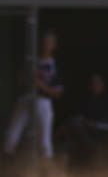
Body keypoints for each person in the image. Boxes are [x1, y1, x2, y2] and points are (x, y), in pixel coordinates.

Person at [4, 30, 64, 163]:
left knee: (44, 142)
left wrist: (40, 84)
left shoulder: (55, 65)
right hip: (26, 98)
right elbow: (19, 80)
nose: (46, 44)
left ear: (54, 45)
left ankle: (47, 176)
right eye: (44, 41)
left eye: (49, 41)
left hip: (43, 101)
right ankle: (8, 171)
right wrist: (26, 76)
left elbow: (58, 93)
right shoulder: (31, 60)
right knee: (11, 138)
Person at [65, 72, 108, 170]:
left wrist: (97, 125)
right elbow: (78, 119)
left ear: (103, 85)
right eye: (92, 83)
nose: (95, 85)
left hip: (103, 137)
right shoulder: (86, 101)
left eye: (97, 83)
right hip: (87, 137)